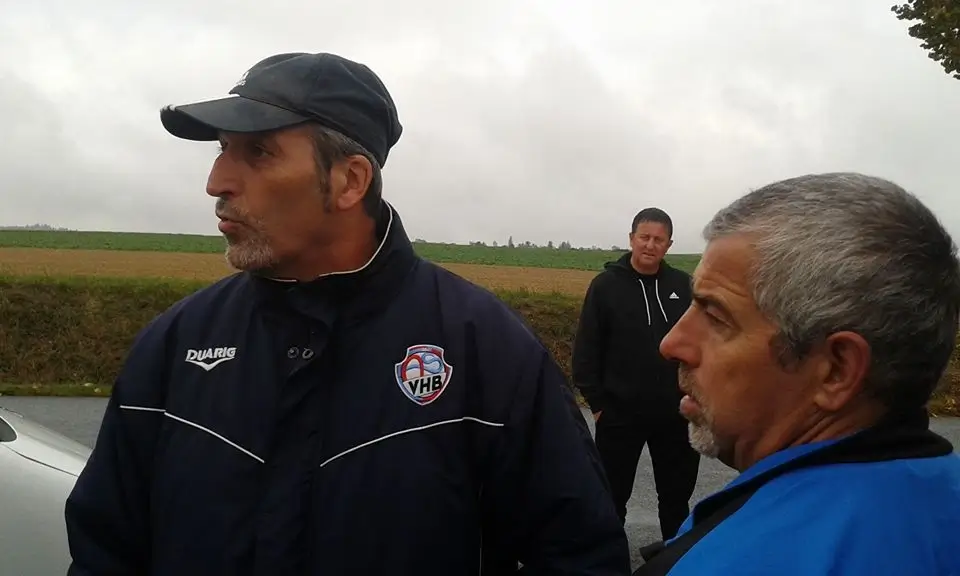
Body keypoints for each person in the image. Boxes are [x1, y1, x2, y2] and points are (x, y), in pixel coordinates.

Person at [63, 51, 631, 575]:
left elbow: (579, 556)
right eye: (222, 150)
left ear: (349, 181)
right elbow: (104, 552)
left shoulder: (487, 351)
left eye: (257, 152)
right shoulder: (176, 343)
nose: (217, 182)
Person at [635, 172, 960, 575]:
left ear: (836, 370)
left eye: (716, 316)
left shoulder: (741, 562)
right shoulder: (941, 493)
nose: (672, 343)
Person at [572, 208, 701, 539]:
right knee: (611, 498)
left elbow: (700, 343)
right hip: (619, 414)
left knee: (675, 498)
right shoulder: (605, 286)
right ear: (631, 239)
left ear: (669, 245)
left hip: (674, 414)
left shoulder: (683, 286)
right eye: (644, 237)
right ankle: (608, 559)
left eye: (659, 239)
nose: (650, 245)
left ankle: (673, 558)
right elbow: (586, 348)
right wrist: (597, 404)